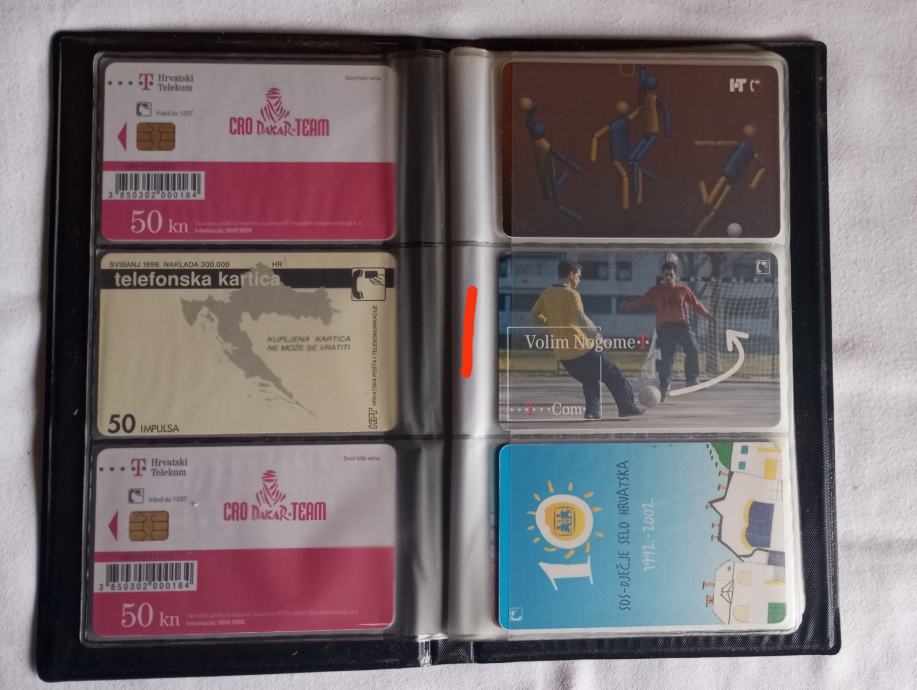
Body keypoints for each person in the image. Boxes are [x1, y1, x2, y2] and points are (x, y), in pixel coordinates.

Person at [530, 260, 644, 419]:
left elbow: (534, 316)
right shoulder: (572, 294)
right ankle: (627, 407)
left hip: (563, 355)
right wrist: (598, 339)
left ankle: (592, 411)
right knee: (613, 373)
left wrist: (553, 323)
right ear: (571, 275)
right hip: (582, 350)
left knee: (589, 380)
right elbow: (582, 319)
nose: (579, 280)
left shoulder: (546, 294)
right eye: (578, 276)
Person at [621, 260, 712, 401]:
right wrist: (627, 306)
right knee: (667, 359)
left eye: (671, 275)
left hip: (682, 327)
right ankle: (664, 387)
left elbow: (696, 304)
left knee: (693, 348)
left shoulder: (683, 290)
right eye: (666, 275)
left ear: (675, 275)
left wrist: (707, 315)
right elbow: (642, 301)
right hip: (665, 329)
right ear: (663, 275)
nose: (668, 277)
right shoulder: (656, 291)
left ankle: (692, 379)